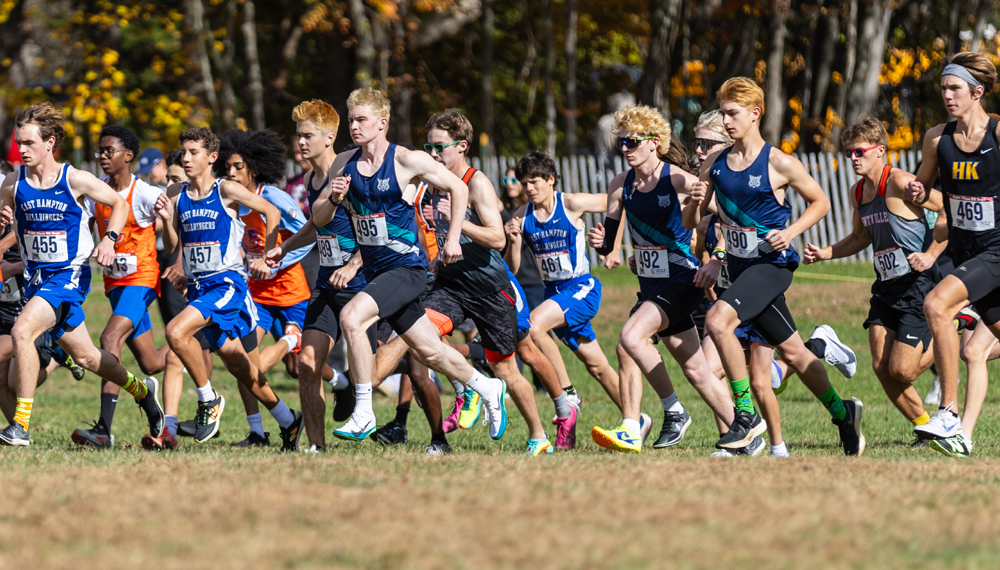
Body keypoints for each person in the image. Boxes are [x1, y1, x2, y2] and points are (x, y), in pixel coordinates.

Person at [303, 87, 509, 449]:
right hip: (376, 271)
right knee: (430, 351)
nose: (354, 126)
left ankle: (364, 410)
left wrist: (453, 237)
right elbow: (320, 218)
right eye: (351, 119)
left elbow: (457, 191)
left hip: (407, 269)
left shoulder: (406, 160)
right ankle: (486, 386)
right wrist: (334, 198)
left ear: (382, 123)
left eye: (361, 119)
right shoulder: (343, 163)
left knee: (352, 317)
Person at [691, 78, 865, 456]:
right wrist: (695, 202)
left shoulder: (779, 161)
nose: (727, 121)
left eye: (733, 114)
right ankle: (843, 413)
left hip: (771, 265)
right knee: (797, 354)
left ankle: (745, 418)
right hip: (738, 269)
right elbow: (693, 218)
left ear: (755, 114)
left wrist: (792, 232)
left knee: (719, 320)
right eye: (723, 114)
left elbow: (820, 202)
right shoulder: (715, 164)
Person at [384, 108, 551, 455]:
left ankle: (538, 435)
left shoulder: (476, 183)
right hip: (450, 286)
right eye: (428, 147)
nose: (432, 155)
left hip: (490, 289)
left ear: (461, 146)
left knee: (505, 368)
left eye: (439, 147)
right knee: (421, 340)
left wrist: (458, 226)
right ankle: (469, 385)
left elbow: (497, 238)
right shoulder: (433, 183)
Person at [0, 102, 164, 446]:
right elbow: (4, 211)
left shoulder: (74, 179)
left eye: (29, 143)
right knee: (88, 357)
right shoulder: (14, 183)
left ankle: (21, 427)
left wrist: (109, 238)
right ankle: (143, 391)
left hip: (68, 278)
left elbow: (119, 204)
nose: (22, 149)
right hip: (37, 282)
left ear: (50, 143)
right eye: (19, 142)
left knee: (22, 331)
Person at [588, 104, 738, 454]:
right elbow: (609, 242)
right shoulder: (619, 185)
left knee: (629, 337)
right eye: (621, 143)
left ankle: (673, 410)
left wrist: (718, 257)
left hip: (683, 278)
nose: (625, 148)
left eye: (632, 141)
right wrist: (601, 244)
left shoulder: (677, 179)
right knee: (697, 369)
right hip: (652, 284)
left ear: (653, 142)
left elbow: (730, 217)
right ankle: (745, 429)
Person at [157, 126, 303, 451]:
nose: (187, 158)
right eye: (184, 152)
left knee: (175, 333)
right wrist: (167, 220)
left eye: (194, 152)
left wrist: (267, 257)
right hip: (197, 287)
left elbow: (272, 212)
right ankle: (288, 421)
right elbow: (171, 244)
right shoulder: (177, 195)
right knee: (242, 367)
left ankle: (208, 399)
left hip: (225, 285)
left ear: (211, 157)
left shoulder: (225, 190)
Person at [803, 117, 941, 437]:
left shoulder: (899, 182)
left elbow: (946, 208)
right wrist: (827, 253)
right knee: (881, 368)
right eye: (849, 152)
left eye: (859, 152)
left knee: (902, 369)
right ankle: (925, 428)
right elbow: (859, 237)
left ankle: (953, 328)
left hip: (918, 283)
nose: (853, 158)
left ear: (880, 151)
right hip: (886, 287)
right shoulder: (858, 191)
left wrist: (933, 253)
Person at [904, 52, 1000, 456]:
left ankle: (947, 411)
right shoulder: (936, 138)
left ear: (977, 92)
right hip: (966, 250)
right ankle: (959, 432)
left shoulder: (998, 133)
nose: (946, 95)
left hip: (997, 250)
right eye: (943, 87)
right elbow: (923, 188)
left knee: (936, 305)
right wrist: (917, 192)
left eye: (954, 87)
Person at [505, 151, 637, 436]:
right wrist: (514, 241)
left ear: (551, 179)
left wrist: (612, 247)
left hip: (581, 288)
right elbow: (513, 268)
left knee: (535, 326)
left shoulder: (571, 203)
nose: (528, 188)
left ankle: (567, 393)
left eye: (535, 181)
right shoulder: (521, 216)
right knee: (597, 366)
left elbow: (620, 201)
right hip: (553, 293)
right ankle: (637, 420)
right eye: (524, 183)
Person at [268, 99, 367, 452]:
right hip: (326, 284)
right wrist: (286, 247)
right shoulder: (312, 178)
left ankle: (470, 392)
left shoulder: (353, 174)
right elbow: (317, 225)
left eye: (308, 135)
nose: (301, 142)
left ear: (329, 138)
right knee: (307, 364)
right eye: (298, 135)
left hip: (365, 285)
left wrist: (354, 264)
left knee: (409, 366)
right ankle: (315, 446)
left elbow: (374, 231)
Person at [70, 125, 170, 448]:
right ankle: (195, 344)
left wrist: (168, 220)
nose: (102, 156)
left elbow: (173, 235)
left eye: (109, 151)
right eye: (100, 151)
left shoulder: (145, 193)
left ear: (128, 155)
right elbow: (82, 228)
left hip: (141, 281)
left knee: (109, 338)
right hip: (114, 284)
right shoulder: (97, 192)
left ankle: (103, 430)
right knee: (151, 362)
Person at [218, 128, 314, 447]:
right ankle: (258, 433)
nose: (230, 173)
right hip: (256, 295)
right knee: (244, 364)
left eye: (238, 168)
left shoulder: (273, 197)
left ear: (254, 170)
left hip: (290, 292)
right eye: (228, 167)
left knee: (266, 366)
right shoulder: (230, 200)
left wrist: (275, 261)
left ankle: (292, 340)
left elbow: (307, 235)